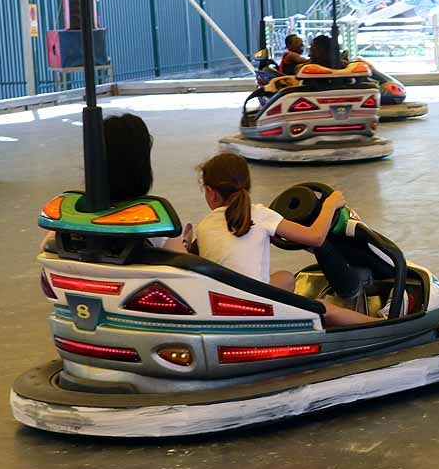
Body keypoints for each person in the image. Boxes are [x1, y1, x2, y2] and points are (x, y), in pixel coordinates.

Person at [192, 152, 378, 326]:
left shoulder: (203, 226)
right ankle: (380, 325)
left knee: (286, 278)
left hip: (221, 305)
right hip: (253, 307)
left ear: (211, 192)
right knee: (324, 308)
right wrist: (330, 204)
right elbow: (316, 237)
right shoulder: (261, 214)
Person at [40, 113, 187, 251]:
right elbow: (186, 269)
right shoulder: (154, 222)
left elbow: (44, 249)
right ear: (142, 167)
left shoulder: (73, 217)